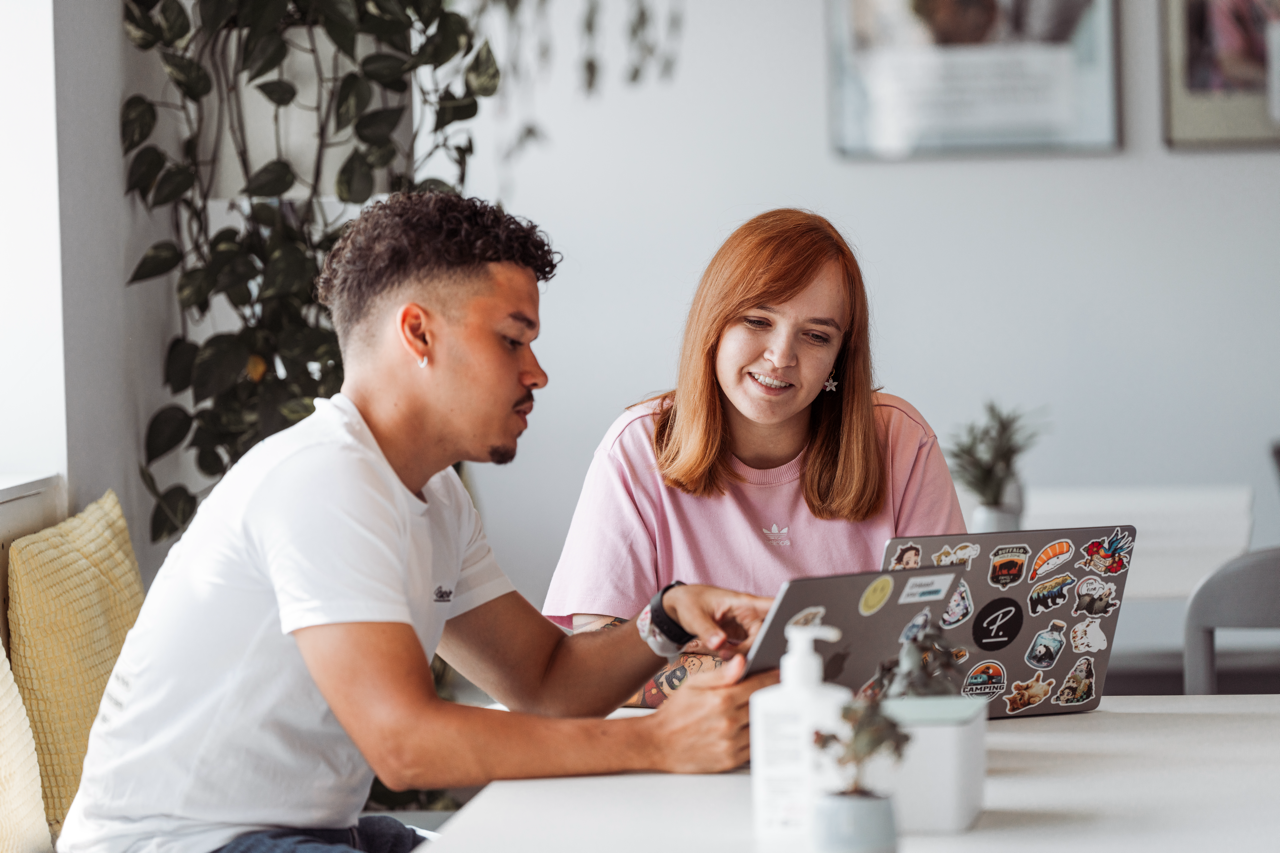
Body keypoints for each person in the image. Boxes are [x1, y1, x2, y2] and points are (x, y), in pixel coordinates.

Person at [58, 193, 777, 853]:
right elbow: (405, 746)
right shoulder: (324, 480)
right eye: (511, 339)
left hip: (306, 833)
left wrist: (669, 615)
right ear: (418, 332)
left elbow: (548, 684)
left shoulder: (435, 495)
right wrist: (657, 743)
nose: (537, 373)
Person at [542, 209, 965, 707]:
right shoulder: (637, 448)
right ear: (713, 325)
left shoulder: (900, 442)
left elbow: (950, 641)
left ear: (839, 358)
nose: (781, 356)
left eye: (816, 335)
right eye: (758, 320)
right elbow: (597, 671)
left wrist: (706, 664)